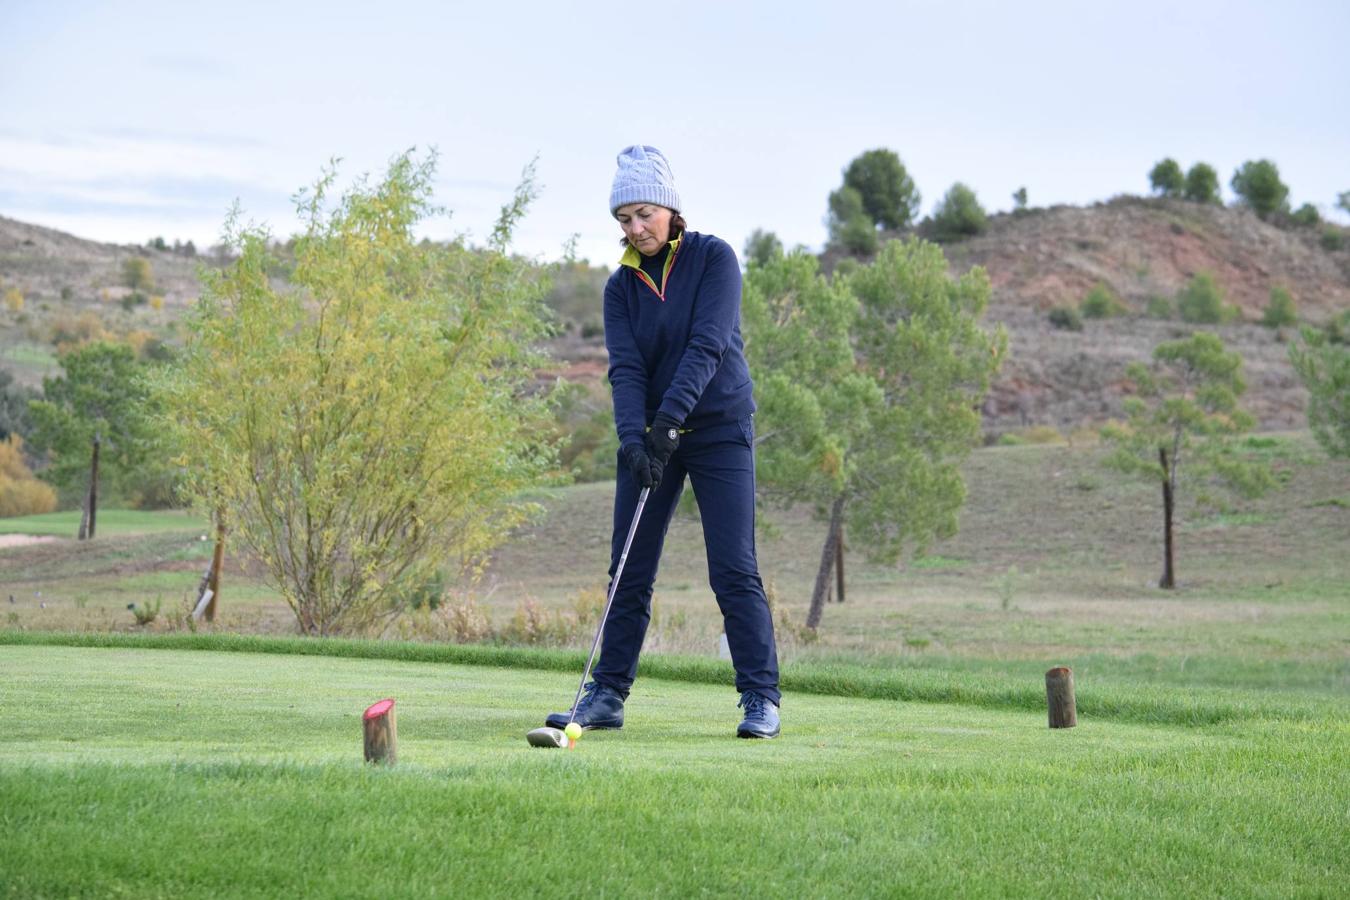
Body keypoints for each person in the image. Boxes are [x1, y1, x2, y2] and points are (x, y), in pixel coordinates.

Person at [545, 145, 781, 739]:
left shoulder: (714, 259)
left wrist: (668, 425)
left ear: (671, 208)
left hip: (720, 428)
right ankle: (606, 696)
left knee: (732, 567)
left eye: (644, 213)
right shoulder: (619, 288)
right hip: (652, 435)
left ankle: (760, 697)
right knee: (628, 567)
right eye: (623, 219)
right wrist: (633, 441)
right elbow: (625, 370)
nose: (636, 228)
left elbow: (709, 346)